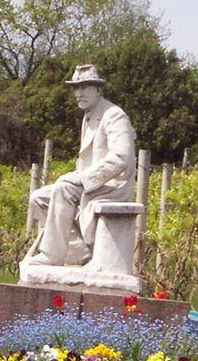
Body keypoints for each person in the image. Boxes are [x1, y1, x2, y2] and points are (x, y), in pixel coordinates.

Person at [25, 64, 136, 266]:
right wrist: (78, 176)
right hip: (92, 183)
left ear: (98, 90)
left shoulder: (114, 115)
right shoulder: (89, 115)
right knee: (38, 198)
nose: (78, 93)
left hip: (111, 185)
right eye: (76, 88)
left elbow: (121, 157)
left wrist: (83, 178)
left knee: (64, 188)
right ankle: (78, 253)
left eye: (84, 87)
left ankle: (52, 255)